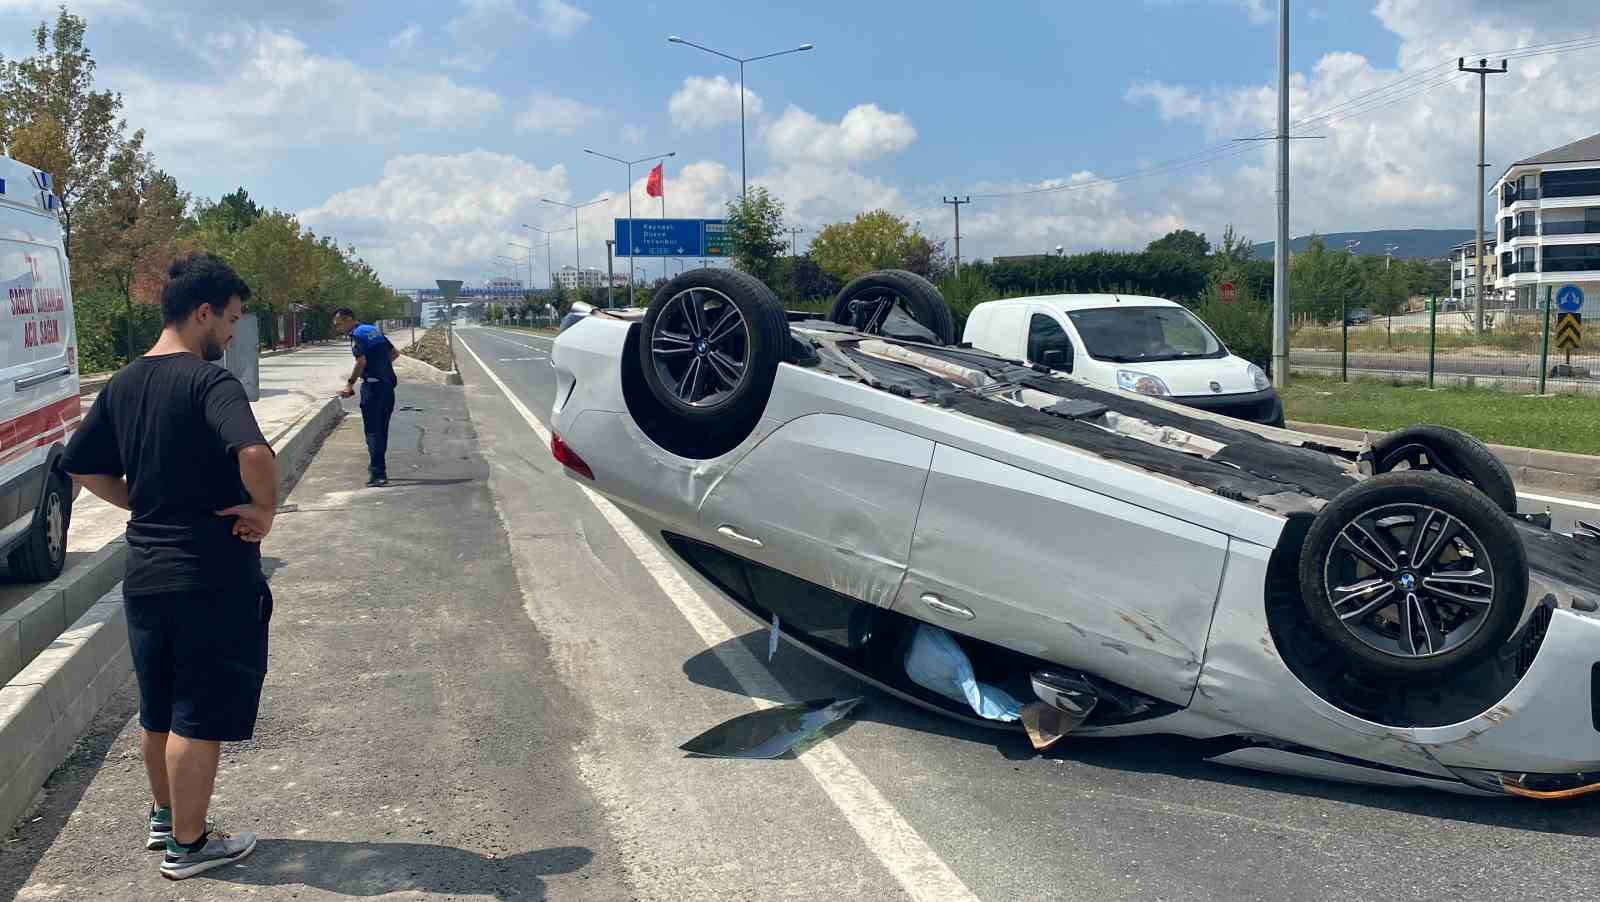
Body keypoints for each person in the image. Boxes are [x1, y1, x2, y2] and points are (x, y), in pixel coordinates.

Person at [62, 252, 274, 881]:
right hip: (207, 574)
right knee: (197, 712)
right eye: (231, 320)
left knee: (156, 706)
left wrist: (142, 500)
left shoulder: (123, 383)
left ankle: (163, 817)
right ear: (203, 312)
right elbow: (255, 452)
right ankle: (190, 844)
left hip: (147, 571)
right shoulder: (211, 384)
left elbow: (82, 465)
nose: (232, 334)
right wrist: (264, 510)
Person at [333, 309, 399, 487]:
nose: (338, 329)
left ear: (348, 320)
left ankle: (378, 474)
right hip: (387, 386)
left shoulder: (357, 335)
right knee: (382, 430)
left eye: (339, 324)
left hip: (373, 388)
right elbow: (394, 353)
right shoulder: (373, 330)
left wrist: (350, 384)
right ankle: (379, 467)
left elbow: (360, 361)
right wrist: (380, 367)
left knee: (372, 431)